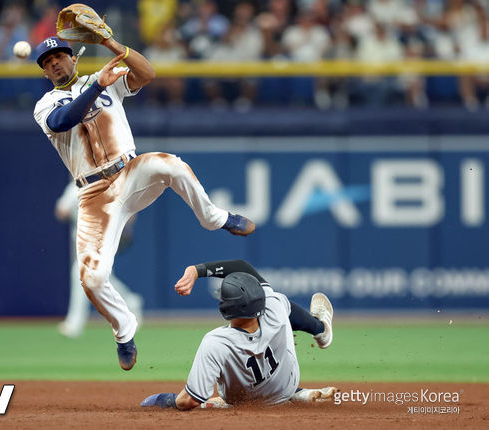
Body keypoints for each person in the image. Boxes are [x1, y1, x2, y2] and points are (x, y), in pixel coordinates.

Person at [32, 33, 255, 371]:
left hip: (130, 171)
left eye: (60, 57)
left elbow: (147, 74)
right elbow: (63, 120)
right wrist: (97, 87)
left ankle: (216, 219)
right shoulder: (46, 104)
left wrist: (113, 45)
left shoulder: (102, 78)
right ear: (45, 73)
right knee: (92, 279)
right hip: (94, 195)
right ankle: (124, 332)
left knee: (171, 164)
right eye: (48, 63)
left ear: (73, 58)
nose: (55, 63)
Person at [141, 259, 335, 410]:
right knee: (283, 307)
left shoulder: (215, 343)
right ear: (259, 301)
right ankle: (320, 330)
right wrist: (198, 270)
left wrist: (165, 399)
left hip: (240, 401)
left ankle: (288, 393)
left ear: (224, 309)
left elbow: (188, 401)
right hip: (286, 385)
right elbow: (242, 266)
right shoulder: (274, 306)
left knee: (207, 391)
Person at [55, 181, 143, 339]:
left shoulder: (107, 184)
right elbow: (61, 211)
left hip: (102, 242)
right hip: (81, 241)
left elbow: (130, 214)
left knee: (80, 274)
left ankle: (74, 324)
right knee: (102, 279)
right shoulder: (75, 187)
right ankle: (131, 301)